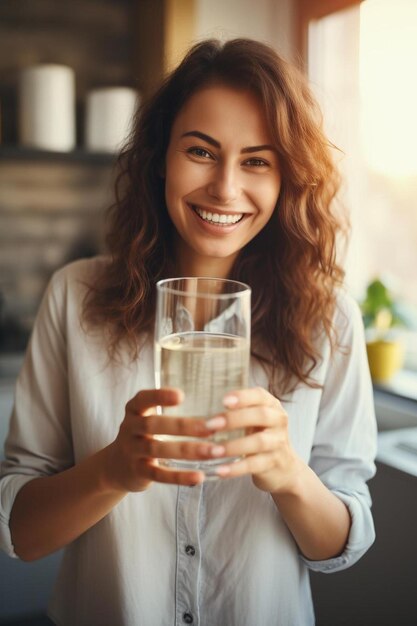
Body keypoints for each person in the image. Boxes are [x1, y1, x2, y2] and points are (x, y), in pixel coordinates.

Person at [0, 38, 377, 626]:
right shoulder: (75, 297)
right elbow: (21, 534)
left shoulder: (331, 322)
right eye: (201, 151)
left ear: (287, 180)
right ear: (159, 158)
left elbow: (337, 550)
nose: (225, 188)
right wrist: (112, 470)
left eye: (257, 160)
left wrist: (290, 477)